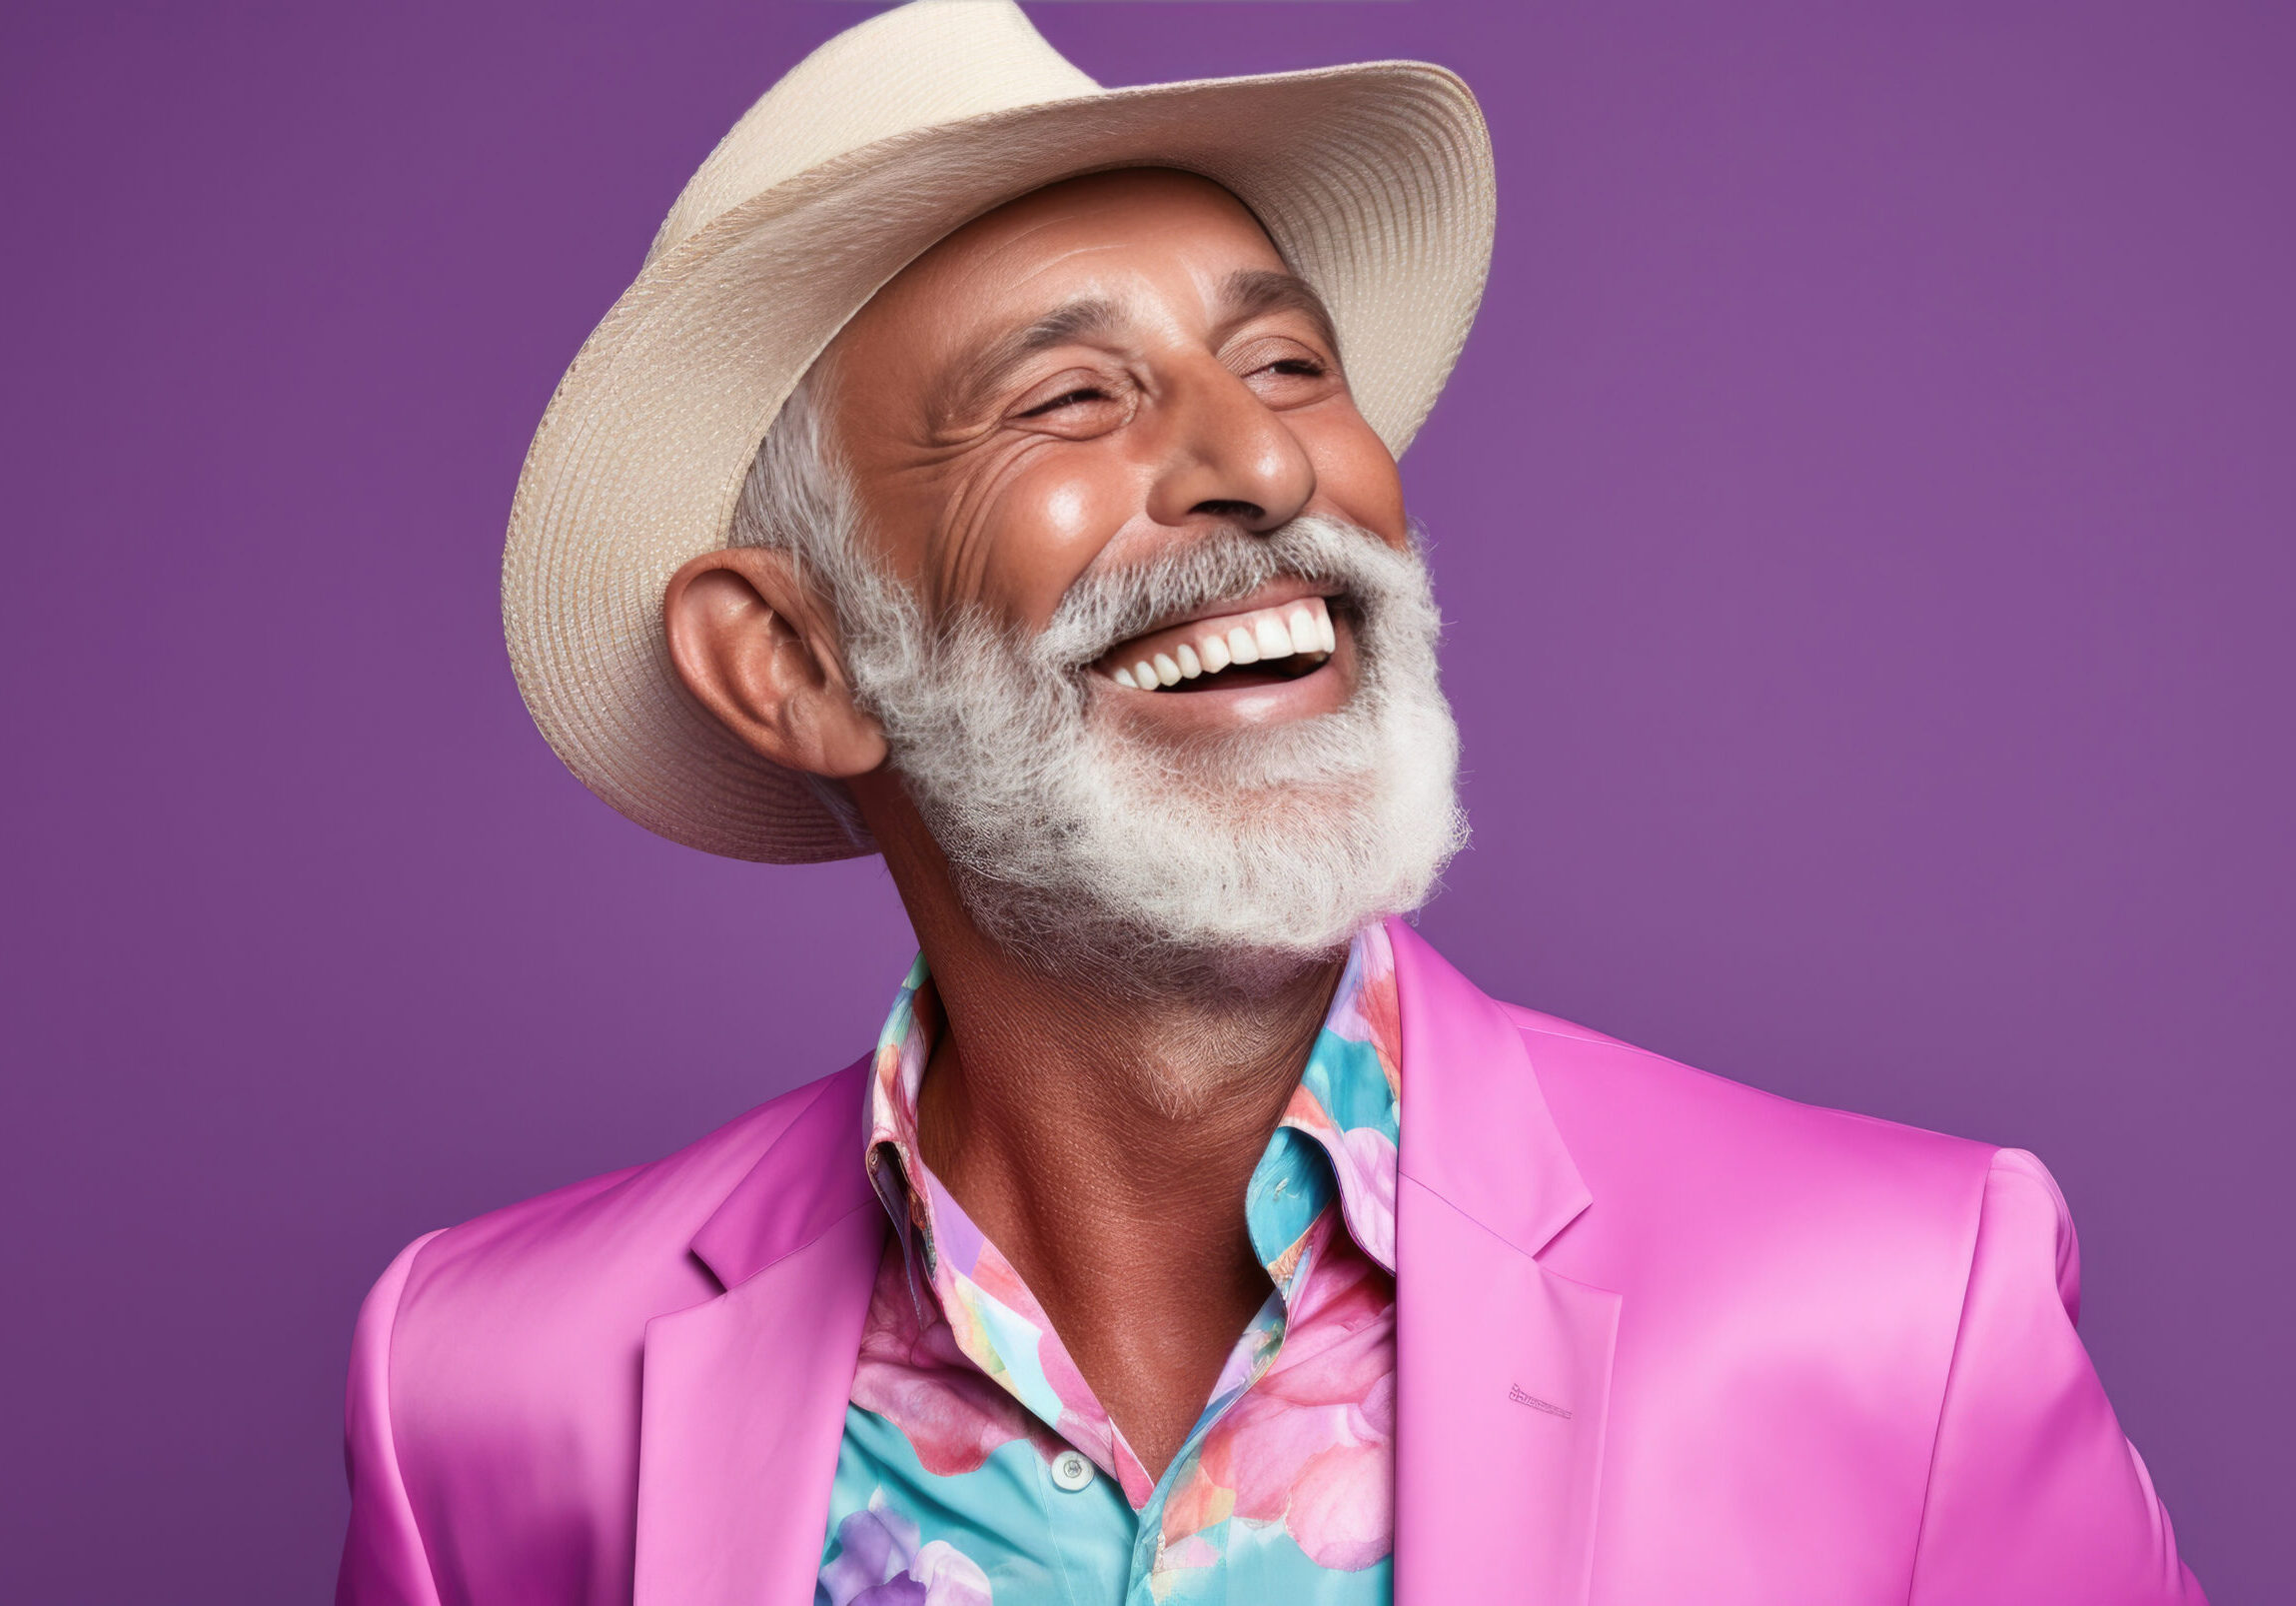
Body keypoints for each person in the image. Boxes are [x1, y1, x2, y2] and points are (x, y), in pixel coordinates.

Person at [337, 4, 2205, 1602]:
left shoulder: (1897, 1307)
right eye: (1068, 400)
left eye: (1290, 366)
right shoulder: (484, 1390)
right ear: (799, 667)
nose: (1257, 464)